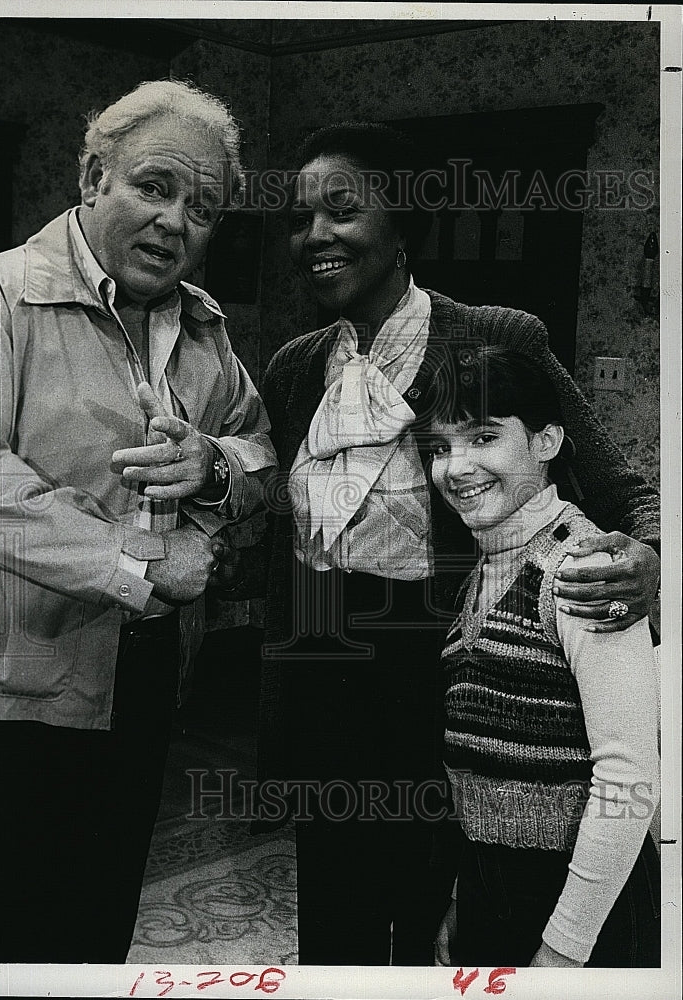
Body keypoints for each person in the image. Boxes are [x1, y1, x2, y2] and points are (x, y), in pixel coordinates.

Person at [255, 123, 660, 966]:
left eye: (342, 210)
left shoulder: (494, 333)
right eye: (299, 220)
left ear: (401, 226)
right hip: (322, 676)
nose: (316, 236)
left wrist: (648, 557)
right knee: (336, 926)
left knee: (441, 920)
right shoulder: (296, 367)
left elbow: (624, 487)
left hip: (445, 677)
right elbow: (272, 523)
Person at [0, 78, 276, 963]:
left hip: (146, 679)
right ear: (93, 179)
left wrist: (212, 466)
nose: (174, 223)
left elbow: (257, 451)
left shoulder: (207, 332)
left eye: (202, 208)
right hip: (4, 689)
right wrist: (141, 561)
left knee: (91, 935)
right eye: (153, 187)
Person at [427, 345, 660, 968]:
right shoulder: (485, 565)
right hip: (495, 888)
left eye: (484, 437)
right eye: (441, 447)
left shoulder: (584, 567)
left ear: (547, 441)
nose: (457, 466)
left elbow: (628, 781)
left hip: (577, 905)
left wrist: (563, 949)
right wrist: (467, 895)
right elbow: (488, 766)